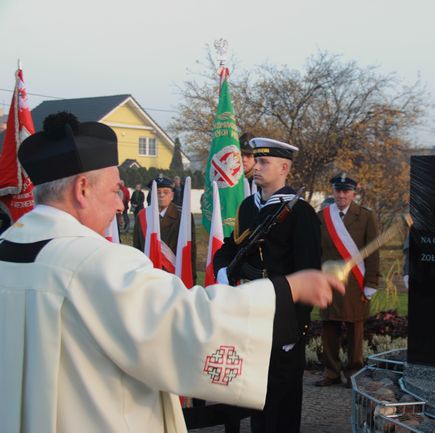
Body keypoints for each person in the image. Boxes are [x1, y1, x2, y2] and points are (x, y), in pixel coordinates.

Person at [0, 112, 344, 433]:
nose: (122, 204)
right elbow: (190, 322)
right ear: (82, 190)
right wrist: (288, 291)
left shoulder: (7, 251)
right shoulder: (96, 264)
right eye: (115, 190)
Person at [212, 137, 321, 433]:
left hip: (282, 317)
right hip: (249, 313)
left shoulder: (300, 213)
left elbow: (308, 274)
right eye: (255, 161)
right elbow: (229, 248)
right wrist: (223, 272)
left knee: (281, 399)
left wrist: (295, 330)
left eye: (264, 162)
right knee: (255, 395)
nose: (255, 167)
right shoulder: (249, 206)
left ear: (284, 167)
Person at [316, 173, 380, 388]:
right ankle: (331, 371)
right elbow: (316, 251)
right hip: (329, 280)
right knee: (329, 328)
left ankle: (353, 372)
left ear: (354, 192)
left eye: (346, 191)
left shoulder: (365, 216)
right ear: (332, 191)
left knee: (355, 329)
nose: (342, 194)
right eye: (338, 190)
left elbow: (373, 253)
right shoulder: (322, 216)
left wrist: (371, 283)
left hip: (355, 282)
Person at [133, 175, 197, 281]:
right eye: (158, 192)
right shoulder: (142, 216)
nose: (161, 195)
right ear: (152, 195)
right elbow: (137, 249)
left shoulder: (183, 216)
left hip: (174, 276)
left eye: (166, 192)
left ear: (172, 195)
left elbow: (191, 250)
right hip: (149, 276)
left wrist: (192, 278)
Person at [240, 132, 256, 196]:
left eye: (249, 155)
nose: (244, 159)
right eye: (241, 154)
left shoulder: (262, 184)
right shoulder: (230, 182)